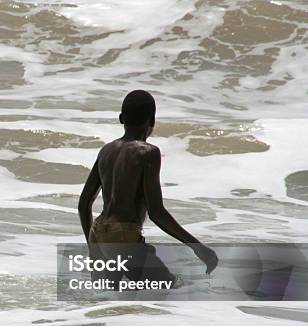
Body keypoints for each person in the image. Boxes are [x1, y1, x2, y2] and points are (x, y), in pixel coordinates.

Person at [78, 90, 218, 288]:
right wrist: (198, 247)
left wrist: (93, 248)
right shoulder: (148, 153)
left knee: (108, 304)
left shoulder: (106, 151)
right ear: (151, 121)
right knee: (173, 289)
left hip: (99, 234)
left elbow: (84, 204)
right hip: (124, 236)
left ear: (121, 119)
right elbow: (156, 212)